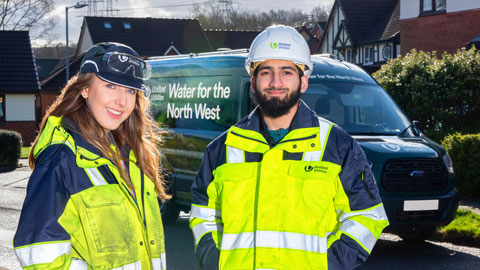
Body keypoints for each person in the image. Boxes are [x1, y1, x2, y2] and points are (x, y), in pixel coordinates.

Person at [189, 25, 389, 270]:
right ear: (253, 81)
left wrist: (326, 265)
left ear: (303, 81)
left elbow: (367, 216)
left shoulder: (338, 146)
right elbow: (203, 217)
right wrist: (217, 263)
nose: (275, 82)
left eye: (286, 72)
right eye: (266, 72)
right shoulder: (221, 149)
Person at [13, 42, 168, 269]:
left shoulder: (131, 156)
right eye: (110, 86)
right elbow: (40, 258)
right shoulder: (60, 160)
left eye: (130, 90)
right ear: (84, 89)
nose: (122, 101)